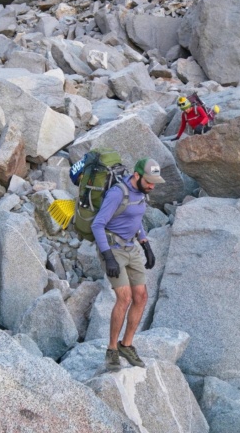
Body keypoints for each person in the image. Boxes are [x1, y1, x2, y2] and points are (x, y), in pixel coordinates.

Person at [91, 157, 165, 372]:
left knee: (141, 297)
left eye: (154, 182)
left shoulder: (142, 193)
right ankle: (112, 349)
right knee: (124, 298)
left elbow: (136, 219)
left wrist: (145, 244)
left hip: (131, 248)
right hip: (113, 248)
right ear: (137, 175)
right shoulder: (117, 193)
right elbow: (98, 225)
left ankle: (127, 345)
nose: (152, 186)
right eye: (149, 181)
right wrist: (108, 256)